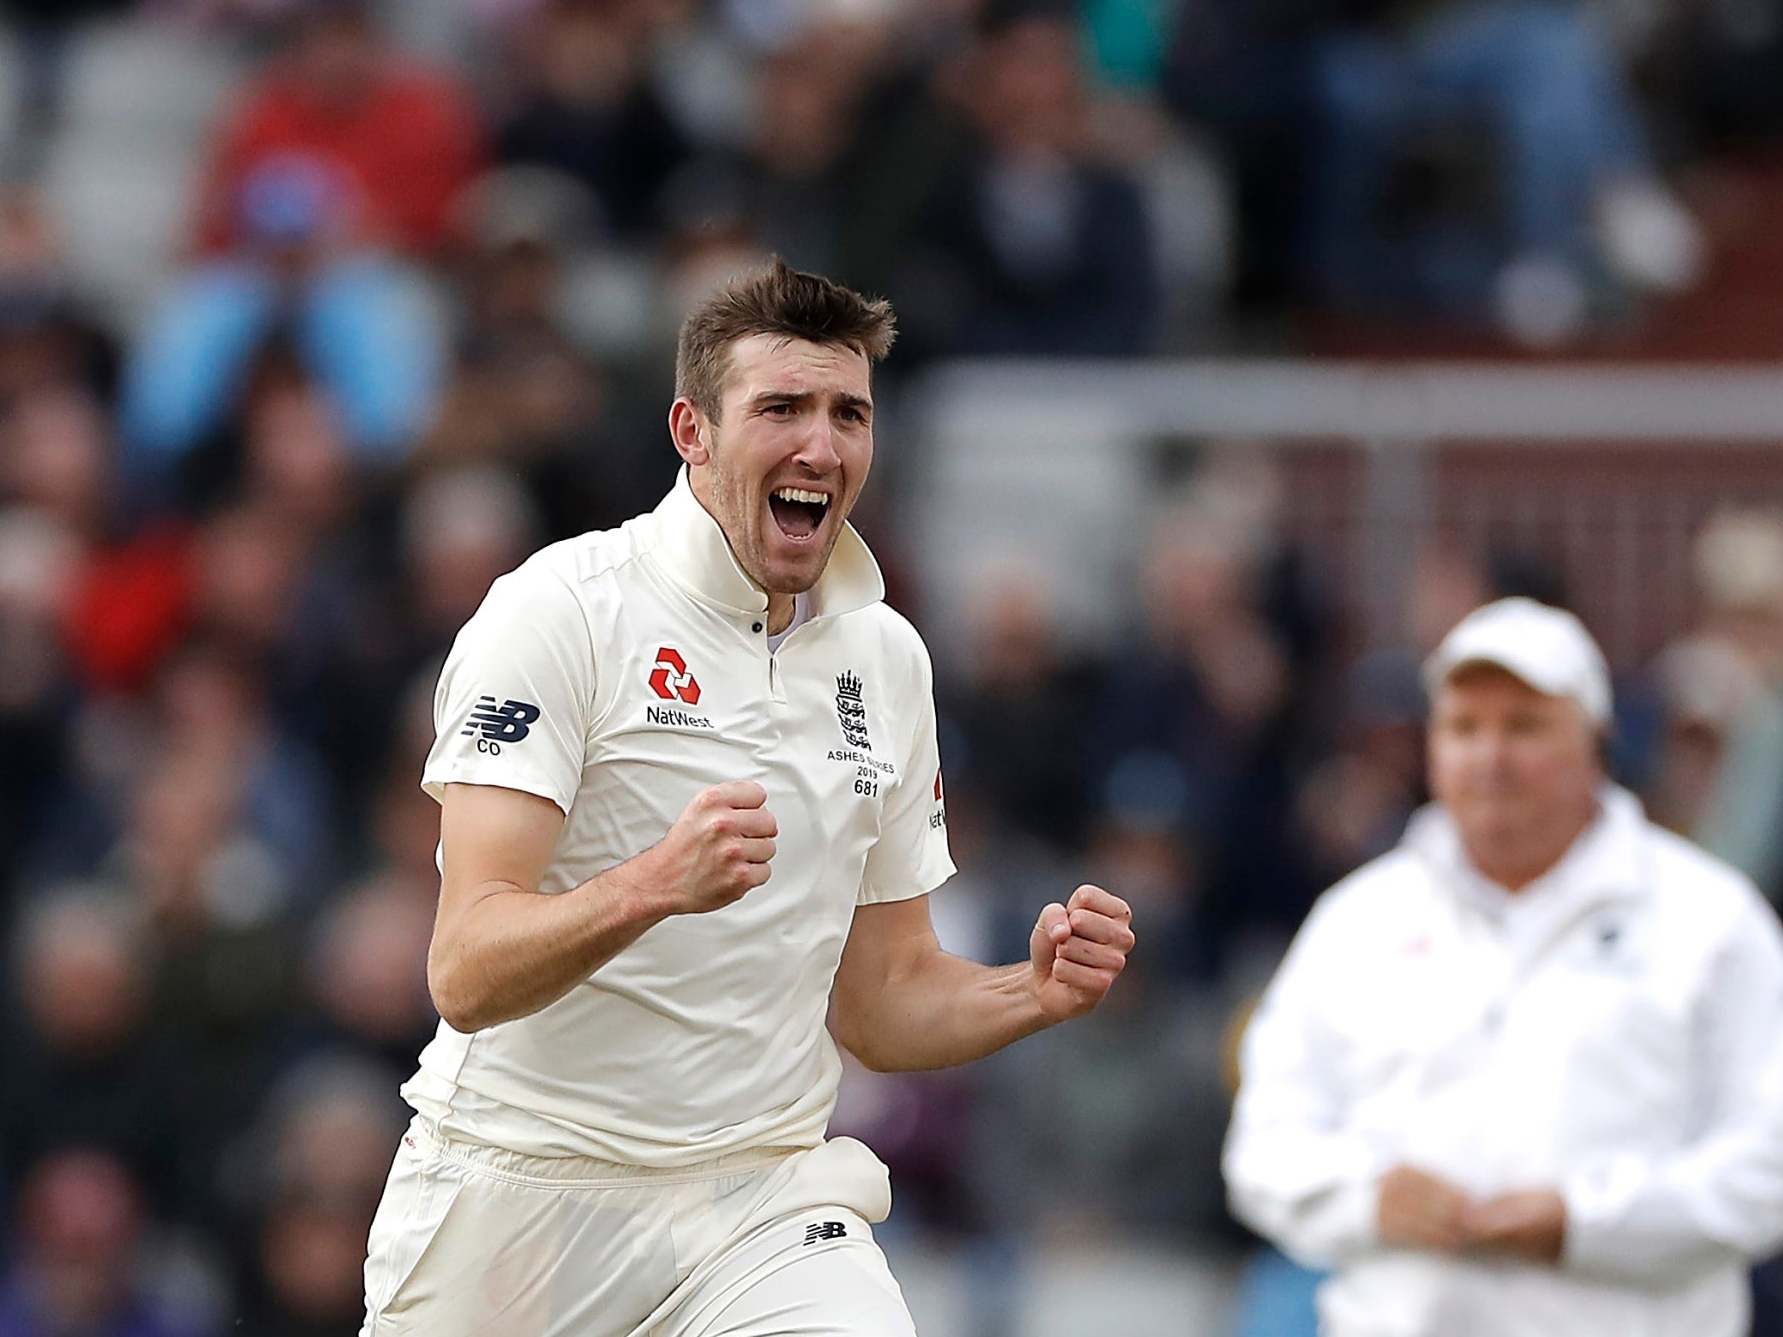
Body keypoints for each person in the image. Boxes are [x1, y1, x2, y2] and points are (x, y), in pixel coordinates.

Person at [358, 259, 1136, 1337]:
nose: (820, 444)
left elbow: (881, 999)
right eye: (782, 407)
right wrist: (652, 885)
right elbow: (466, 969)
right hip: (519, 1199)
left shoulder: (885, 658)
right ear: (693, 430)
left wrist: (1031, 993)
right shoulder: (560, 610)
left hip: (760, 1205)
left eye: (848, 413)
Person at [1224, 596, 1783, 1337]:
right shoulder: (1357, 918)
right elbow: (1264, 1149)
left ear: (1595, 741)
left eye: (1523, 726)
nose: (1489, 757)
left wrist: (1586, 1221)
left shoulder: (1709, 918)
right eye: (1463, 727)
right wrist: (1367, 1198)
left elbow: (1765, 1163)